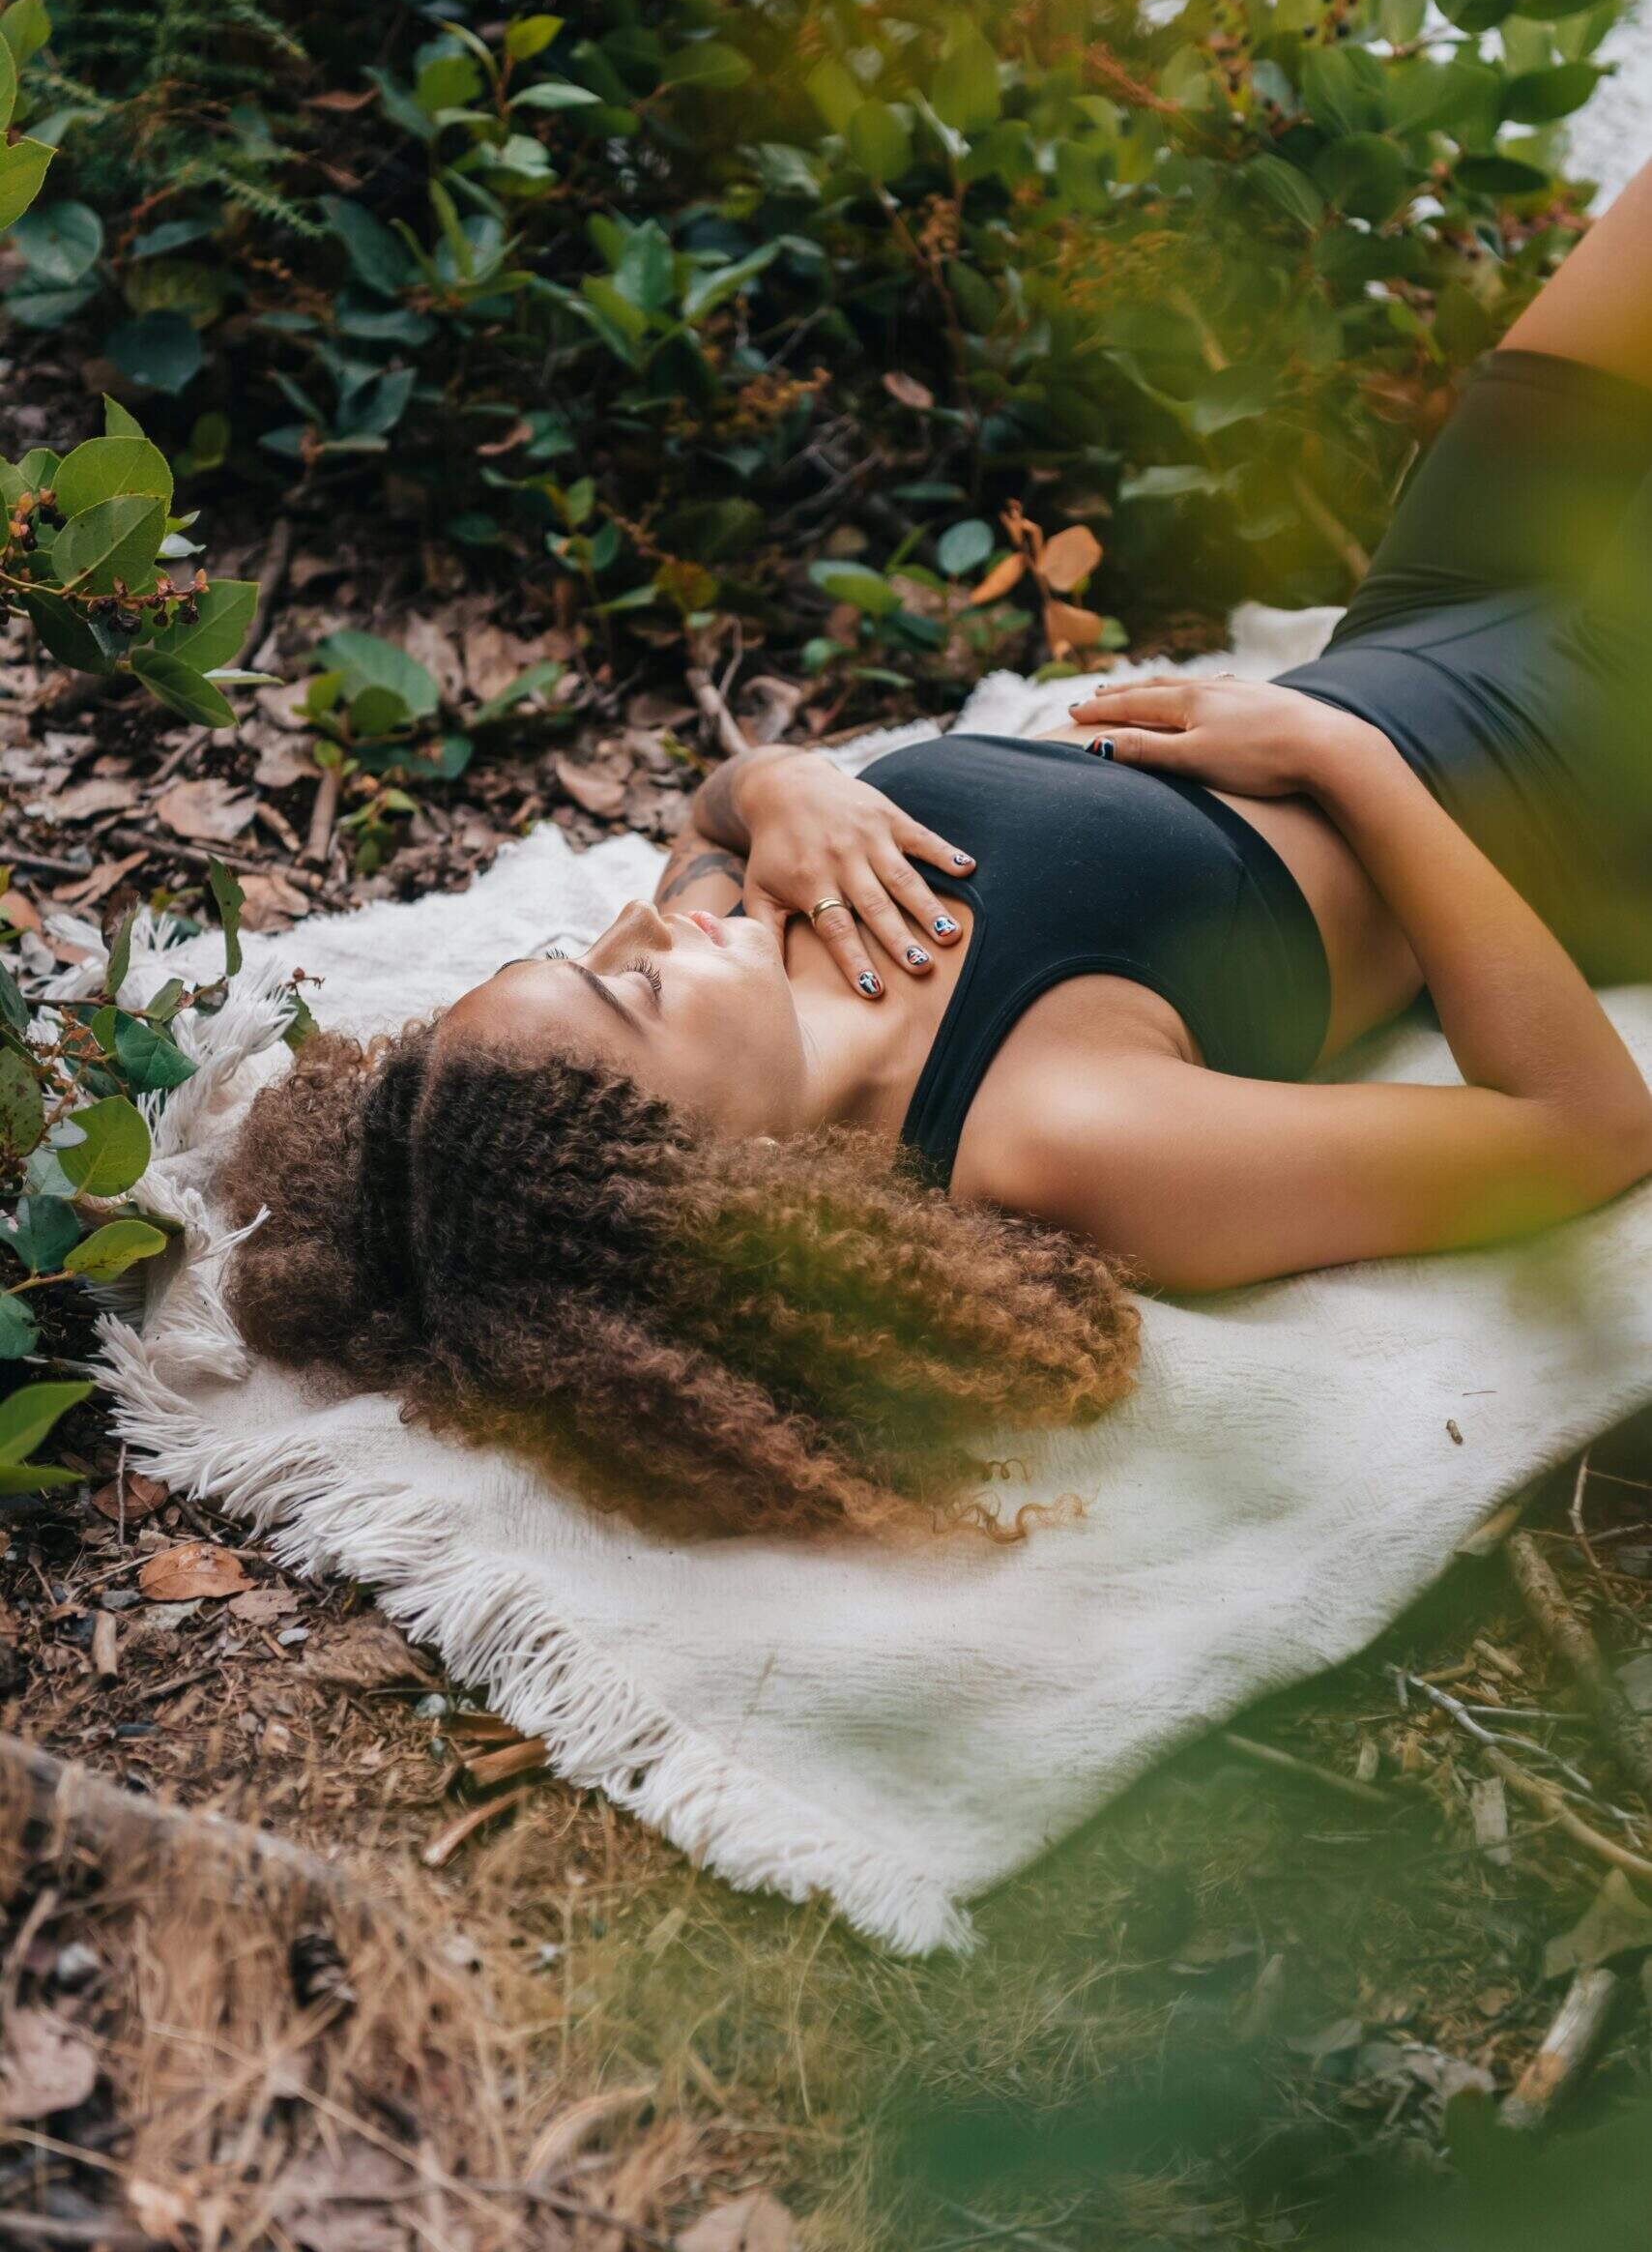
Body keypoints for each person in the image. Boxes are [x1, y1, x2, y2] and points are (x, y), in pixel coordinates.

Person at [230, 161, 1652, 1541]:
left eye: (588, 943)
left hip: (1425, 612)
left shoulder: (765, 938)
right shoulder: (1054, 1133)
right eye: (632, 988)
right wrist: (1345, 761)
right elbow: (1579, 1132)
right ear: (707, 1175)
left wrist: (779, 781)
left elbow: (710, 819)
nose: (644, 924)